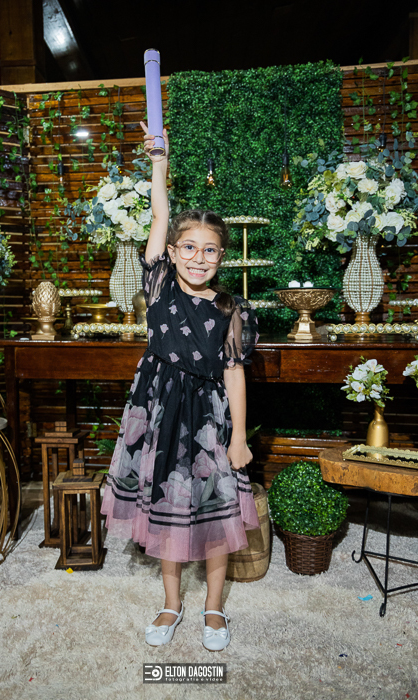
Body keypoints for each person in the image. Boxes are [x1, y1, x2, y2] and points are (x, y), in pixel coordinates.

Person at [100, 121, 261, 652]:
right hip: (158, 412)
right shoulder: (160, 287)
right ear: (170, 252)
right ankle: (172, 602)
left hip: (209, 419)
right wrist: (159, 163)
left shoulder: (233, 309)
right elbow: (158, 214)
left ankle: (213, 606)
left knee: (215, 513)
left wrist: (239, 437)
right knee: (166, 511)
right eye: (188, 247)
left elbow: (234, 372)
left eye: (210, 250)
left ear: (222, 257)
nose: (198, 257)